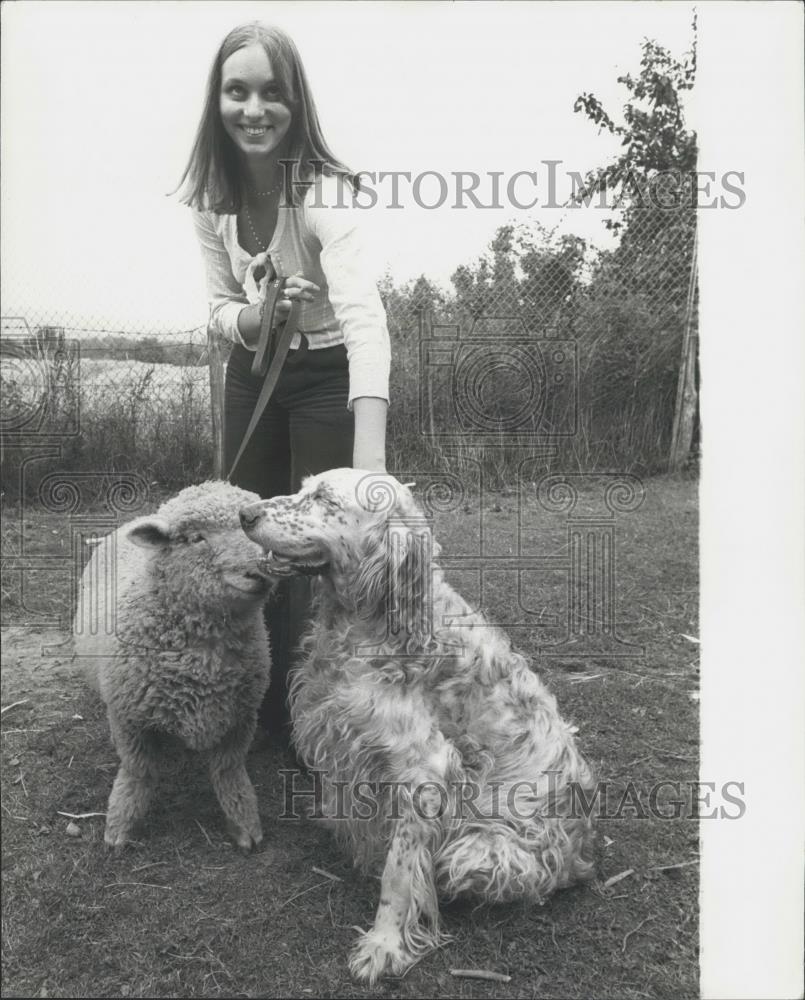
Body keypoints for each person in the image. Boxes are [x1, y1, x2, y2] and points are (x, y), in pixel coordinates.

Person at [177, 22, 390, 745]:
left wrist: (370, 473)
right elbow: (216, 307)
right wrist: (256, 314)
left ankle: (317, 715)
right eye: (237, 91)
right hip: (255, 370)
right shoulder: (212, 202)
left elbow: (365, 320)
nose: (253, 109)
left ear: (296, 104)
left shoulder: (323, 193)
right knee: (249, 525)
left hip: (329, 371)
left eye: (272, 92)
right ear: (218, 102)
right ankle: (255, 700)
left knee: (315, 544)